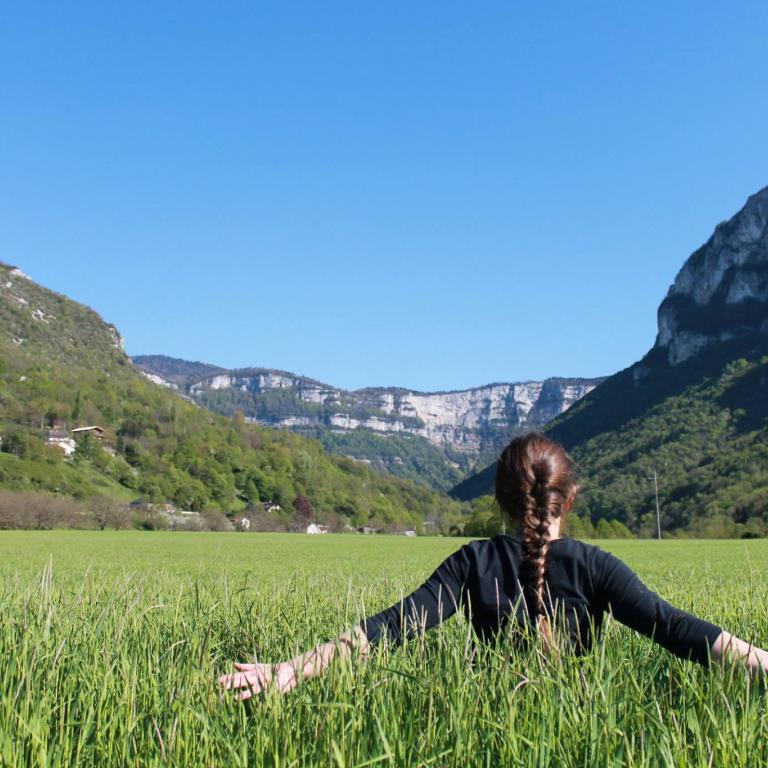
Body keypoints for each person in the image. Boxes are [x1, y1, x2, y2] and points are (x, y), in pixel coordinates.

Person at [219, 433, 768, 699]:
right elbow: (676, 629)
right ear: (568, 500)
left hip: (486, 715)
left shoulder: (472, 562)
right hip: (578, 725)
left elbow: (387, 629)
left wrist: (290, 668)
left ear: (500, 499)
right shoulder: (595, 566)